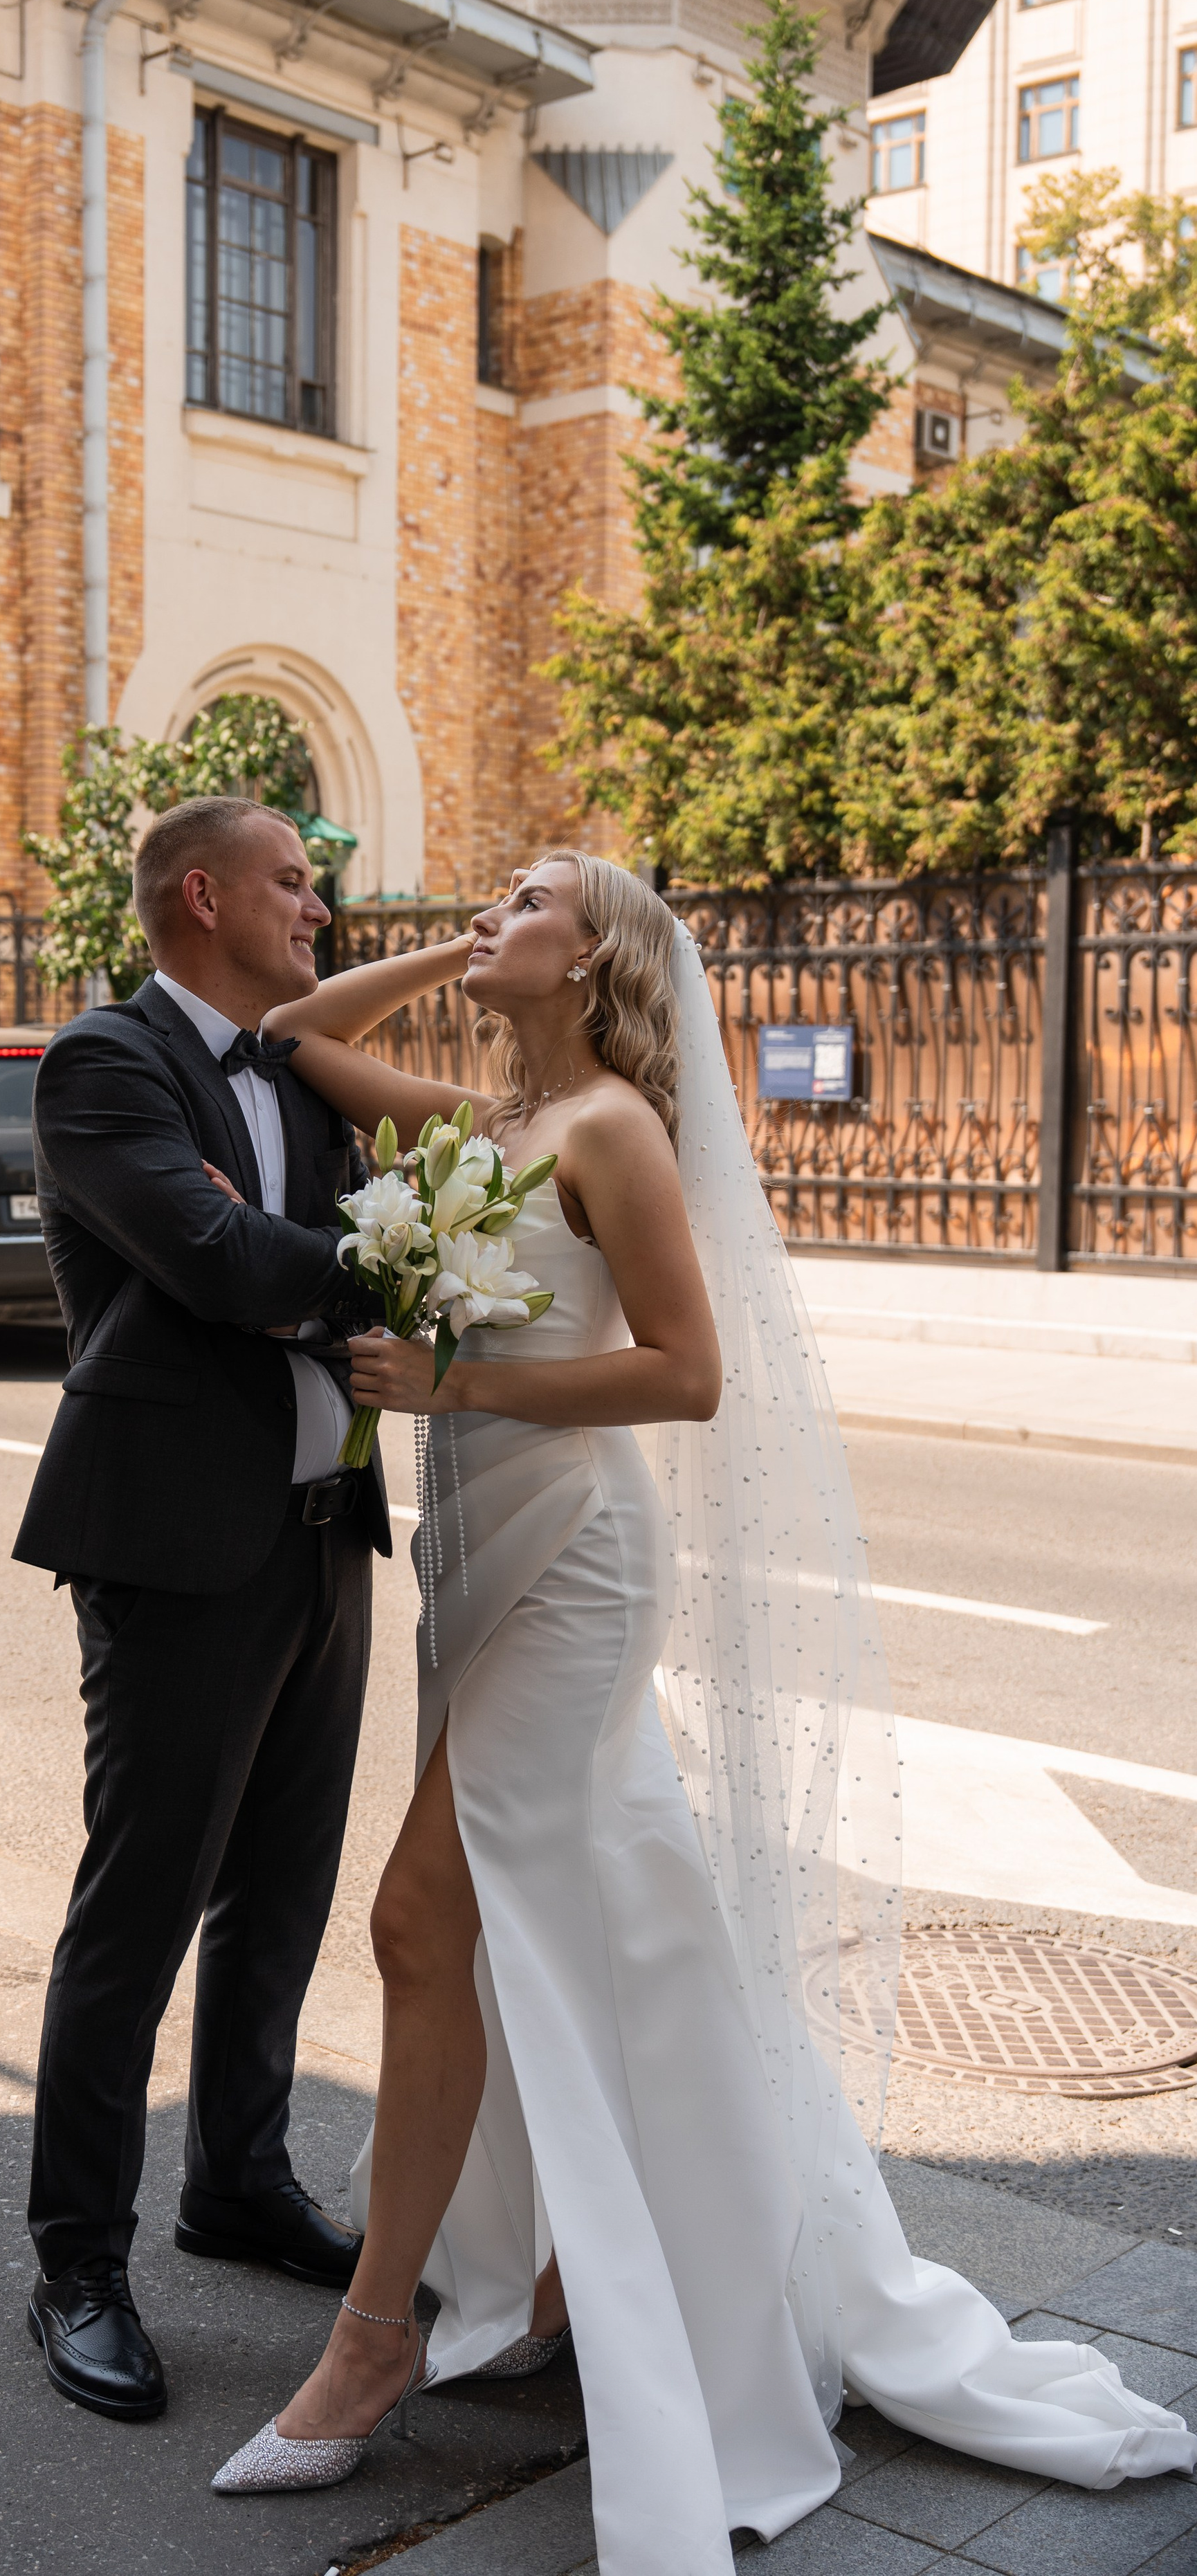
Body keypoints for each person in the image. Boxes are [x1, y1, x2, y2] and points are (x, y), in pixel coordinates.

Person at [210, 852, 1197, 2567]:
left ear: (599, 954)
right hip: (476, 1550)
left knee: (418, 1919)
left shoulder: (609, 1130)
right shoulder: (492, 1120)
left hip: (576, 1568)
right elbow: (289, 1032)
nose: (490, 910)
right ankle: (546, 2279)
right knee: (572, 1927)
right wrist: (459, 953)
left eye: (527, 899)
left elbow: (687, 1372)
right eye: (489, 897)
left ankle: (373, 2343)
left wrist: (451, 1374)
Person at [14, 796, 392, 2424]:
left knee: (282, 1894)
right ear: (202, 894)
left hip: (321, 1535)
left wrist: (328, 1258)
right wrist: (369, 1271)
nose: (316, 909)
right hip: (175, 1547)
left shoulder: (299, 1071)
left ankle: (236, 2180)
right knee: (140, 1909)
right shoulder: (104, 1064)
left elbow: (297, 1246)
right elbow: (222, 1259)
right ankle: (77, 2269)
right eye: (292, 883)